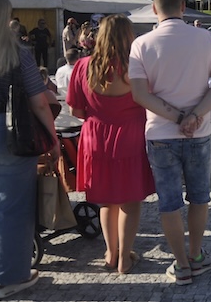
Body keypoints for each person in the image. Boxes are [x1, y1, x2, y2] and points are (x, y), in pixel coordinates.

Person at [129, 0, 211, 285]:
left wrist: (177, 117)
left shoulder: (141, 44)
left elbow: (139, 94)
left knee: (169, 201)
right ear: (183, 6)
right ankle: (196, 254)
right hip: (197, 132)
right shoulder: (207, 39)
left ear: (154, 9)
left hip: (160, 133)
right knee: (199, 198)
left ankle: (181, 264)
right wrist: (194, 116)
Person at [67, 15, 155, 274]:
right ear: (129, 36)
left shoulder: (83, 66)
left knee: (106, 201)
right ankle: (125, 258)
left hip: (95, 137)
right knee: (130, 200)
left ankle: (110, 253)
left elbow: (76, 111)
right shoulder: (138, 67)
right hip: (130, 136)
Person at [0, 0, 58, 299]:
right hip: (10, 132)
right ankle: (9, 276)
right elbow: (40, 102)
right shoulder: (17, 53)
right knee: (13, 207)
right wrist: (54, 140)